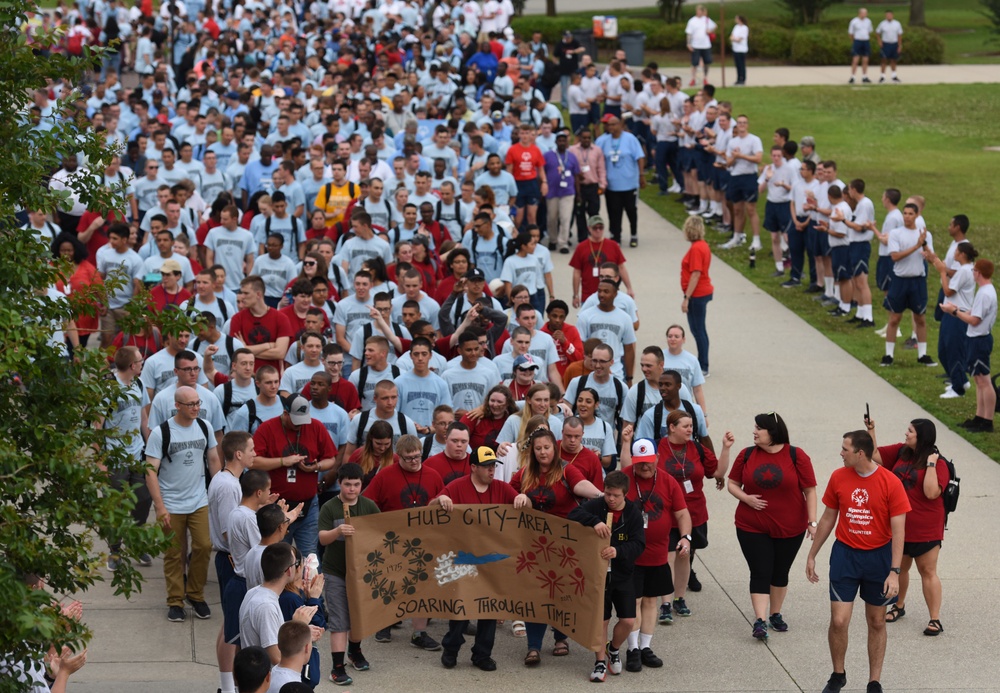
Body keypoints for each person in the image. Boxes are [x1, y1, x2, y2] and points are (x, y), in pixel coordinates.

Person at [806, 430, 910, 693]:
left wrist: (894, 572)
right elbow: (829, 517)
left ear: (860, 453)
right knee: (839, 621)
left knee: (876, 621)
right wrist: (812, 554)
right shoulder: (839, 477)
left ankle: (874, 681)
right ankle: (838, 675)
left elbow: (899, 531)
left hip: (878, 558)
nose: (840, 453)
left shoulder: (890, 482)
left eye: (845, 449)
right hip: (846, 556)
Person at [512, 428, 602, 666]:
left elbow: (581, 485)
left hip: (564, 547)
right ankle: (533, 647)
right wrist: (518, 496)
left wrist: (600, 495)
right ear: (533, 450)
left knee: (562, 591)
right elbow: (507, 491)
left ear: (555, 448)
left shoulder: (566, 469)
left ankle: (561, 638)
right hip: (533, 545)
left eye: (547, 447)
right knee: (536, 593)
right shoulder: (524, 474)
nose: (543, 452)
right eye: (538, 448)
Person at [727, 412, 817, 641]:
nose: (754, 432)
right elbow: (732, 483)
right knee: (760, 571)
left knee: (780, 572)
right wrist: (746, 498)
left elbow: (810, 490)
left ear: (773, 433)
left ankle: (775, 613)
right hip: (751, 525)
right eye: (755, 427)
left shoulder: (797, 456)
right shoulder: (746, 454)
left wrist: (812, 521)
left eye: (759, 428)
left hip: (790, 527)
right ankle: (760, 620)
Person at [432, 446, 524, 672]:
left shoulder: (502, 488)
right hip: (464, 560)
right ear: (473, 467)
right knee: (462, 608)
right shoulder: (456, 486)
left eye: (493, 466)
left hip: (492, 562)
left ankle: (482, 655)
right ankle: (451, 649)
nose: (491, 470)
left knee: (489, 610)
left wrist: (523, 497)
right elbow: (433, 506)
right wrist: (441, 499)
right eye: (486, 466)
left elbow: (525, 506)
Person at [144, 385, 222, 622]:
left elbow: (213, 459)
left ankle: (196, 595)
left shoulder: (203, 426)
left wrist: (217, 493)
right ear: (177, 406)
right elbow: (150, 471)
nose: (196, 408)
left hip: (199, 500)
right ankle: (175, 600)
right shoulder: (162, 433)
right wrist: (159, 506)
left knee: (203, 546)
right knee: (173, 553)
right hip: (171, 503)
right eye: (191, 404)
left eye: (198, 403)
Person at [865, 418, 949, 636]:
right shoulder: (902, 452)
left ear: (921, 436)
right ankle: (898, 606)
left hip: (926, 528)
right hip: (898, 526)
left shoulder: (939, 464)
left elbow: (931, 492)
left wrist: (930, 464)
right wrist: (872, 429)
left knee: (927, 571)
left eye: (910, 431)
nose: (906, 434)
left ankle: (935, 619)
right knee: (899, 568)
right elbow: (875, 455)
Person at [362, 435, 444, 649]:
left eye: (417, 457)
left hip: (423, 541)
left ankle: (419, 632)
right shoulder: (385, 476)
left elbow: (440, 505)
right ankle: (385, 623)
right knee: (391, 583)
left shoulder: (433, 475)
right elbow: (368, 502)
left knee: (422, 586)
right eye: (408, 458)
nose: (414, 461)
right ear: (399, 457)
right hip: (392, 542)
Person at [619, 436, 690, 670]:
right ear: (633, 460)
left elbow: (682, 514)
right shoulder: (624, 479)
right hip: (631, 554)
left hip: (658, 554)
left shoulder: (669, 481)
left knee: (651, 600)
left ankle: (646, 646)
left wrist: (685, 537)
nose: (645, 466)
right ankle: (632, 649)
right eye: (640, 462)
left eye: (649, 461)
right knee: (634, 601)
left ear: (657, 459)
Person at [568, 471, 645, 683]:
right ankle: (600, 662)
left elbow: (639, 544)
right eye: (608, 494)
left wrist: (617, 551)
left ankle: (614, 648)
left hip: (622, 573)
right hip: (598, 575)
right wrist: (594, 521)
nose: (611, 498)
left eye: (616, 495)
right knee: (601, 621)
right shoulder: (596, 505)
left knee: (628, 620)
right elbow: (572, 515)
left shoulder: (634, 514)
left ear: (625, 495)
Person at [654, 410, 725, 619]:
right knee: (668, 556)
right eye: (685, 426)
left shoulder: (697, 448)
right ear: (672, 427)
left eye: (691, 426)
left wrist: (726, 448)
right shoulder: (658, 446)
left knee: (684, 555)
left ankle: (679, 598)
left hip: (693, 512)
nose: (690, 429)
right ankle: (665, 603)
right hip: (665, 512)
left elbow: (718, 472)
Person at [252, 394, 338, 557]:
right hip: (278, 505)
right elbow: (253, 462)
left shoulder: (315, 426)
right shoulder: (267, 428)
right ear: (285, 414)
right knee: (278, 556)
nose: (300, 425)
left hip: (308, 504)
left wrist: (315, 467)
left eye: (303, 421)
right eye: (296, 421)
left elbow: (331, 459)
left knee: (310, 556)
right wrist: (283, 461)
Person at [318, 463, 379, 686]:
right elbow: (323, 538)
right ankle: (337, 667)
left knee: (358, 617)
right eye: (347, 485)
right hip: (335, 572)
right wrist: (338, 531)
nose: (351, 489)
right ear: (339, 483)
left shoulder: (369, 506)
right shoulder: (330, 507)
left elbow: (380, 534)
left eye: (356, 485)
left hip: (361, 573)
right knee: (339, 621)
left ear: (361, 484)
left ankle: (355, 651)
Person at [881, 203, 936, 368]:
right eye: (905, 213)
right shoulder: (896, 234)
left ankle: (923, 354)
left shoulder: (925, 235)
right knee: (894, 318)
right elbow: (895, 256)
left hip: (917, 280)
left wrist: (924, 245)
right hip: (900, 279)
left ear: (917, 215)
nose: (906, 216)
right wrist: (916, 246)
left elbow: (931, 257)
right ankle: (888, 355)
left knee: (920, 317)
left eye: (910, 214)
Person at [946, 259, 997, 432]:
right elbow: (972, 312)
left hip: (979, 340)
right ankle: (979, 416)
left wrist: (954, 312)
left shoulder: (985, 293)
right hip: (975, 339)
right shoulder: (983, 291)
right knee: (978, 380)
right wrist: (956, 309)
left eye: (975, 270)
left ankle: (987, 420)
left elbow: (975, 320)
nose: (973, 273)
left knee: (984, 381)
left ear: (979, 273)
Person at [596, 114, 645, 248]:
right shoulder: (603, 140)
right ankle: (615, 236)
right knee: (614, 211)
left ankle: (634, 234)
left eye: (613, 124)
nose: (610, 127)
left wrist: (641, 175)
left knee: (631, 210)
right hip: (612, 184)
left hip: (629, 183)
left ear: (620, 125)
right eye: (608, 125)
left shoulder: (630, 139)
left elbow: (639, 157)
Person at [680, 216, 714, 377]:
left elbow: (695, 274)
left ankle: (703, 365)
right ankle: (703, 363)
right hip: (701, 291)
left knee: (698, 329)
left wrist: (687, 297)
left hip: (697, 294)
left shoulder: (696, 249)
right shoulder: (702, 245)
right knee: (699, 329)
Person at [685, 5, 717, 87]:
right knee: (694, 63)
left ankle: (705, 77)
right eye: (698, 11)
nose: (699, 12)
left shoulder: (706, 20)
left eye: (700, 11)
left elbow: (714, 26)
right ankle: (693, 78)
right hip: (695, 45)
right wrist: (688, 43)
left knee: (707, 62)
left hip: (706, 45)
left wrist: (710, 30)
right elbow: (689, 33)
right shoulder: (692, 21)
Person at [875, 10, 903, 83]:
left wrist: (900, 45)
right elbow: (877, 33)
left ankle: (894, 76)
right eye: (887, 15)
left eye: (890, 15)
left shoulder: (897, 24)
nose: (889, 16)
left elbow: (899, 35)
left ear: (893, 15)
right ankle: (882, 76)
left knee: (893, 60)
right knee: (884, 60)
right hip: (886, 44)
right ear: (885, 16)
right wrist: (879, 41)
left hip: (894, 43)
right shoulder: (882, 24)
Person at [848, 7, 874, 84]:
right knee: (855, 59)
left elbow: (869, 31)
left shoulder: (868, 21)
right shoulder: (854, 21)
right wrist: (854, 41)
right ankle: (853, 76)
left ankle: (864, 76)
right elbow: (851, 33)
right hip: (857, 41)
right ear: (859, 13)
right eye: (863, 13)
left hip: (865, 41)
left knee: (865, 59)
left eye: (865, 13)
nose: (864, 15)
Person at [730, 16, 749, 86]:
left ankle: (742, 79)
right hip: (735, 49)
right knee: (737, 65)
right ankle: (738, 79)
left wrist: (734, 39)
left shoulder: (744, 28)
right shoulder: (736, 27)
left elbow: (740, 39)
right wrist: (734, 38)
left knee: (742, 65)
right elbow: (732, 36)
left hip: (742, 49)